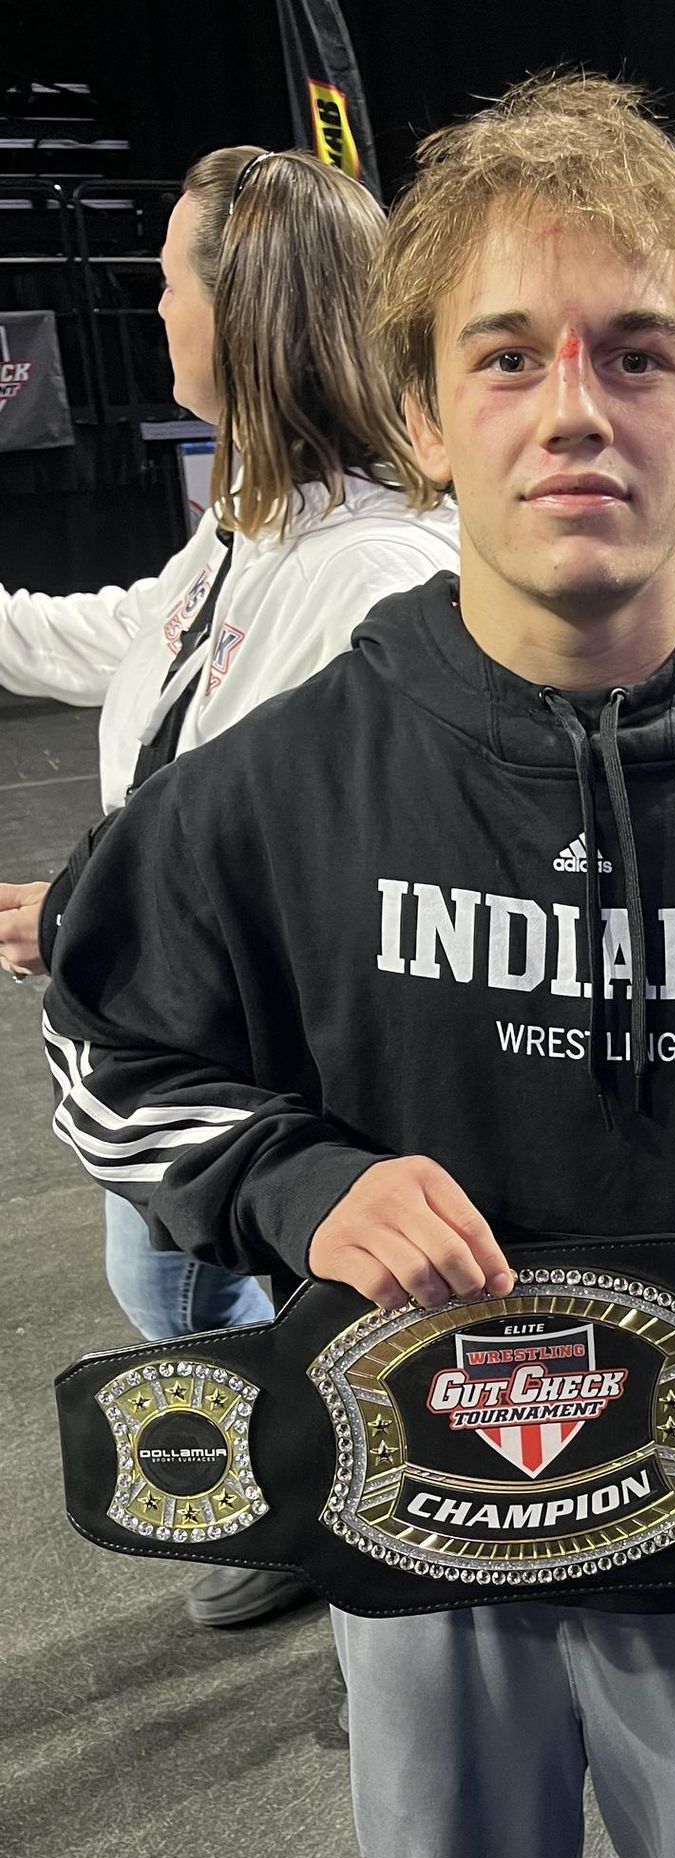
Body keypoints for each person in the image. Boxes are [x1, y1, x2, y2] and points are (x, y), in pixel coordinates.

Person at [44, 77, 675, 1858]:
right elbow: (108, 1051)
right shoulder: (282, 784)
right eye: (507, 358)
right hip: (413, 1560)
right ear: (422, 413)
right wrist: (296, 1176)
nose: (574, 410)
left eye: (639, 356)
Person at [0, 144, 459, 1629]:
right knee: (168, 1283)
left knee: (205, 1296)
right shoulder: (261, 517)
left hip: (251, 1062)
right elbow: (134, 646)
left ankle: (326, 1515)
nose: (151, 304)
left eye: (169, 277)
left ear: (243, 308)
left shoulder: (377, 567)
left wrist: (86, 903)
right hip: (164, 1029)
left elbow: (295, 845)